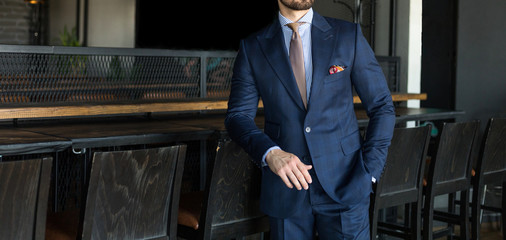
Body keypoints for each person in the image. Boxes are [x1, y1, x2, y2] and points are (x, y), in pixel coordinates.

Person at [225, 0, 396, 239]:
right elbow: (237, 117)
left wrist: (370, 172)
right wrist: (271, 154)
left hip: (346, 184)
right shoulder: (252, 48)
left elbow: (382, 107)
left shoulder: (348, 35)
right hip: (286, 187)